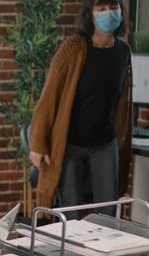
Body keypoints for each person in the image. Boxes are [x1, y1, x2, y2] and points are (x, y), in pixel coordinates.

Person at [29, 0, 133, 219]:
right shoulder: (73, 48)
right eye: (101, 8)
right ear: (90, 14)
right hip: (69, 144)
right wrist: (37, 144)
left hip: (104, 142)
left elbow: (123, 101)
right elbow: (49, 98)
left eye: (113, 7)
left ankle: (105, 254)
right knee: (72, 214)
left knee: (108, 212)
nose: (109, 13)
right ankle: (73, 254)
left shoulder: (123, 52)